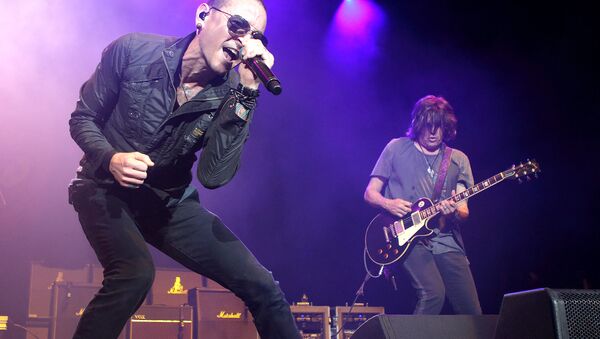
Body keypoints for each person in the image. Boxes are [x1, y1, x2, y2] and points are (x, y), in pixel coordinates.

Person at [67, 0, 301, 338]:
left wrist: (247, 92)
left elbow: (213, 176)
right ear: (203, 15)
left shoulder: (229, 96)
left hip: (168, 202)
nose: (244, 41)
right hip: (101, 186)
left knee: (264, 287)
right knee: (134, 274)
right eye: (238, 26)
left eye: (256, 36)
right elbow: (83, 118)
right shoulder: (133, 50)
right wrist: (111, 158)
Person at [364, 95, 482, 315]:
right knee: (433, 293)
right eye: (428, 126)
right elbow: (370, 193)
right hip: (407, 237)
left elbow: (464, 210)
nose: (433, 132)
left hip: (446, 239)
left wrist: (455, 211)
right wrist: (388, 203)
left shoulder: (458, 159)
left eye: (439, 127)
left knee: (471, 311)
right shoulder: (396, 148)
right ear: (418, 123)